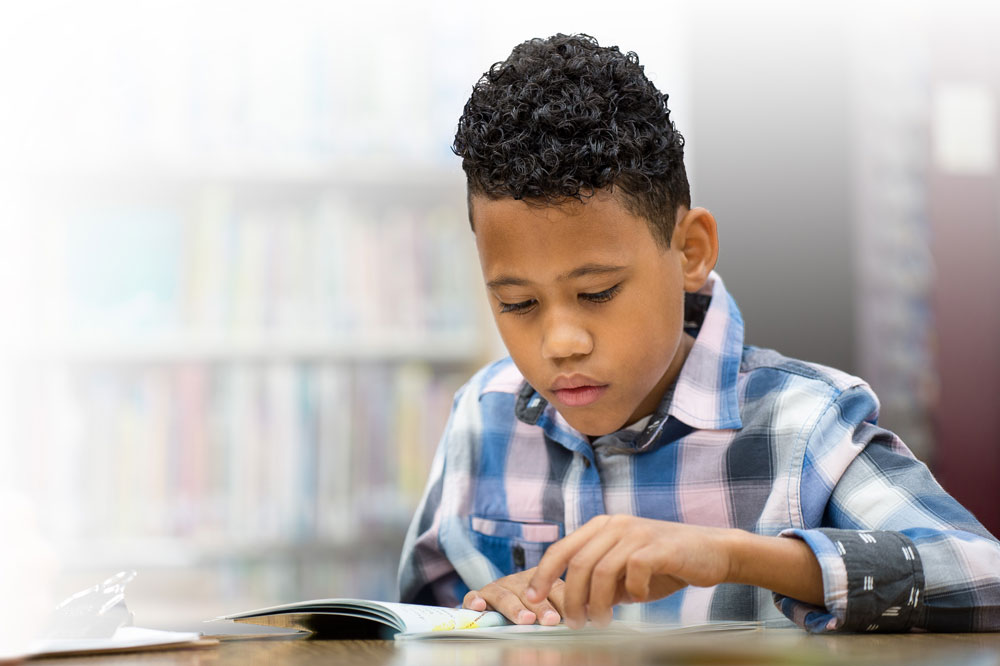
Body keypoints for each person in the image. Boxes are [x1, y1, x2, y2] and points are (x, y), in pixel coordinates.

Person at [397, 33, 1000, 633]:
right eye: (518, 302)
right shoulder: (484, 415)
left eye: (597, 293)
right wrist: (482, 614)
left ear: (690, 250)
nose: (561, 342)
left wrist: (733, 555)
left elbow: (984, 576)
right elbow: (416, 621)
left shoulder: (805, 425)